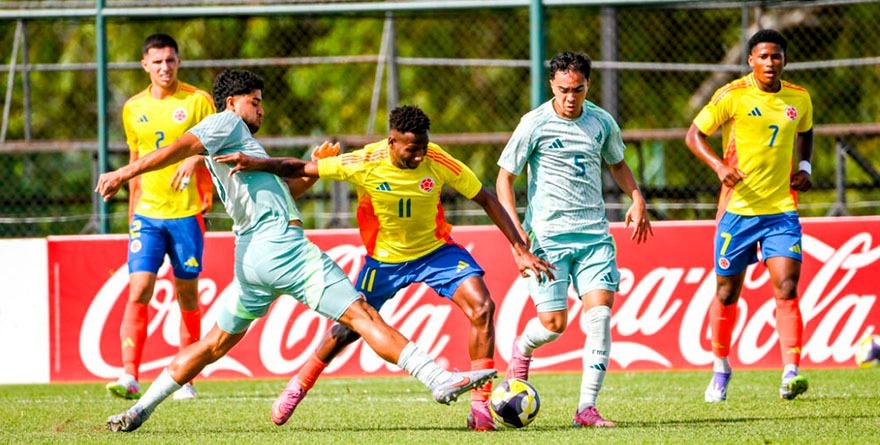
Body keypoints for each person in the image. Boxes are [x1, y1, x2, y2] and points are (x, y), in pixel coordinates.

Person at [96, 69, 496, 432]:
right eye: (255, 100)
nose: (261, 108)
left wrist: (311, 164)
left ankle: (139, 410)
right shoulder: (225, 121)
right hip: (281, 247)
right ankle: (437, 378)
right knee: (362, 314)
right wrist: (123, 172)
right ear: (232, 102)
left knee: (214, 344)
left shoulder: (241, 142)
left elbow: (285, 192)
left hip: (252, 257)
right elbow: (180, 147)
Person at [212, 105, 555, 431]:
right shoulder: (365, 161)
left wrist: (519, 248)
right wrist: (255, 163)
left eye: (423, 147)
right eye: (410, 150)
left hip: (436, 251)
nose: (419, 156)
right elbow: (300, 168)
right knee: (347, 330)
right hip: (385, 261)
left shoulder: (437, 160)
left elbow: (485, 198)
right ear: (391, 141)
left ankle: (481, 408)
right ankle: (299, 384)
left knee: (483, 307)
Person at [495, 51, 653, 428]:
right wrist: (518, 241)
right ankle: (522, 349)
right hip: (548, 240)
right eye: (564, 89)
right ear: (552, 84)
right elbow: (504, 178)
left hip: (595, 236)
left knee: (599, 316)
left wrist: (636, 197)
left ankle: (586, 408)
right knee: (553, 324)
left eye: (578, 90)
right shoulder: (534, 124)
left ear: (587, 86)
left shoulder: (601, 122)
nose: (570, 98)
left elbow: (617, 163)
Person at [685, 29, 813, 402]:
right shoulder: (733, 95)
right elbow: (694, 135)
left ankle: (791, 371)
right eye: (763, 57)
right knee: (727, 293)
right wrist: (717, 167)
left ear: (784, 60)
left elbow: (806, 130)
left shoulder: (799, 98)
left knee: (787, 287)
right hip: (737, 211)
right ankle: (720, 367)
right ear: (750, 61)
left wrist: (804, 166)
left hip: (780, 210)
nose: (770, 63)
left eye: (776, 56)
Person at [106, 33, 215, 401]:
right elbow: (136, 165)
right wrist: (132, 214)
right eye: (157, 62)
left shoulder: (199, 101)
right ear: (145, 66)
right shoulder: (132, 107)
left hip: (186, 214)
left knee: (187, 295)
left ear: (179, 62)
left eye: (170, 60)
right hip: (148, 216)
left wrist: (193, 157)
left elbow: (218, 143)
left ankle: (185, 378)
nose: (164, 68)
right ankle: (128, 376)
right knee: (139, 289)